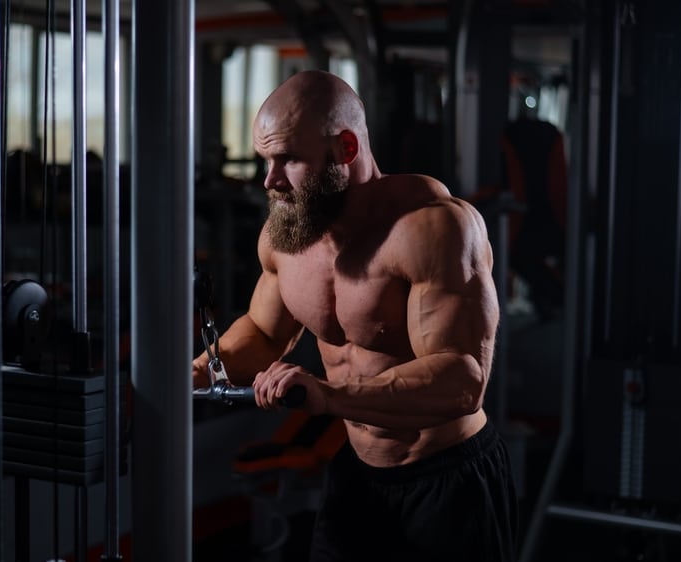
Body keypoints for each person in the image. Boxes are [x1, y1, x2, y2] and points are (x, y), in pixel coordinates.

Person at [192, 70, 517, 561]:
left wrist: (329, 396)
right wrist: (192, 373)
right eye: (266, 160)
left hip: (448, 481)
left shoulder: (433, 228)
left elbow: (462, 380)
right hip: (358, 477)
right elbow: (262, 332)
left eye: (289, 160)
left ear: (346, 148)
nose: (270, 180)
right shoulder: (288, 237)